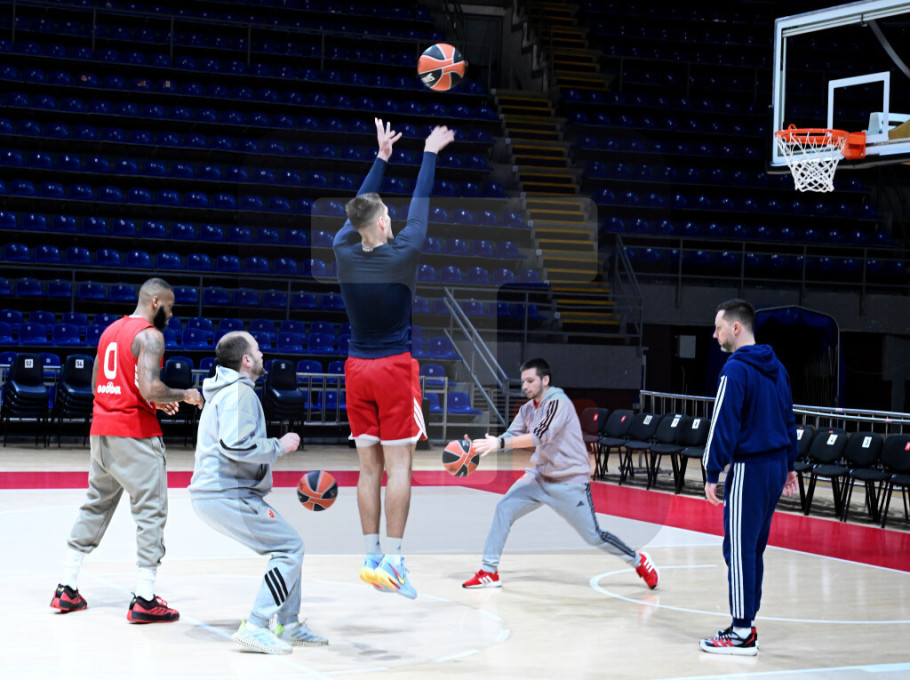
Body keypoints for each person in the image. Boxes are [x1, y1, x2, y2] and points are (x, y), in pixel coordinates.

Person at [333, 118, 455, 600]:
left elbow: (358, 210)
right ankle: (396, 562)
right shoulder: (404, 252)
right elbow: (421, 203)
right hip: (394, 368)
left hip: (356, 369)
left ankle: (370, 556)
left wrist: (381, 158)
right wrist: (429, 153)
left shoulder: (343, 250)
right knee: (399, 466)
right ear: (384, 223)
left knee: (369, 468)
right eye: (387, 212)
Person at [50, 278, 203, 622]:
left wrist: (151, 400)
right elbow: (150, 387)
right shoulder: (150, 336)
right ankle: (146, 598)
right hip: (135, 434)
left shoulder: (110, 331)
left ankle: (66, 587)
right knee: (151, 512)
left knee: (95, 506)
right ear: (155, 302)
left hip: (101, 433)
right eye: (170, 307)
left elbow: (98, 384)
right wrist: (185, 395)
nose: (171, 314)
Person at [461, 358, 661, 591]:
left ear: (545, 380)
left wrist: (500, 443)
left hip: (569, 482)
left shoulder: (558, 402)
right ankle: (489, 571)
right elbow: (510, 435)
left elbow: (539, 436)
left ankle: (639, 561)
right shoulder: (528, 408)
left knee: (593, 536)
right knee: (503, 509)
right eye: (523, 381)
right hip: (539, 477)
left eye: (530, 381)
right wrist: (480, 446)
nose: (525, 386)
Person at [189, 331, 327, 654]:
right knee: (290, 548)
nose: (263, 353)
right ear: (247, 360)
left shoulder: (227, 390)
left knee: (289, 544)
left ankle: (288, 623)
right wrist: (279, 445)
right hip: (226, 493)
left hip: (221, 493)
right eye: (258, 349)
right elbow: (234, 444)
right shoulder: (239, 393)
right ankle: (256, 625)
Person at [699, 299, 799, 656]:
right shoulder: (777, 367)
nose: (715, 335)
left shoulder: (735, 369)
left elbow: (723, 422)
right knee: (753, 548)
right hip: (775, 466)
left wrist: (712, 470)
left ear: (736, 328)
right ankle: (746, 623)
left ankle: (741, 632)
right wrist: (790, 464)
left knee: (739, 549)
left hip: (751, 468)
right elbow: (789, 418)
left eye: (718, 328)